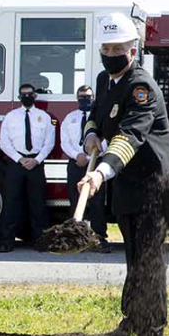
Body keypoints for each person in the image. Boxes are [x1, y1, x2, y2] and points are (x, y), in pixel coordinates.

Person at [77, 11, 169, 336]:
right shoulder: (105, 82)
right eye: (105, 49)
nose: (110, 55)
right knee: (133, 251)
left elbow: (130, 136)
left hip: (153, 183)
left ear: (133, 51)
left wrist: (100, 174)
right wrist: (90, 134)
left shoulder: (141, 87)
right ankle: (133, 315)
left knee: (149, 254)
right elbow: (94, 116)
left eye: (116, 48)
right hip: (126, 182)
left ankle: (153, 324)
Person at [0, 82, 54, 252]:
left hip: (36, 164)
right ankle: (7, 241)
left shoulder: (44, 117)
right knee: (12, 203)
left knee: (38, 204)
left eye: (29, 94)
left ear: (35, 96)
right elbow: (4, 142)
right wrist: (20, 159)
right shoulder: (11, 116)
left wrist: (37, 160)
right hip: (16, 164)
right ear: (19, 97)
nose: (26, 96)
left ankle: (41, 241)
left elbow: (49, 142)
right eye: (23, 94)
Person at [61, 84, 111, 253]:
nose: (85, 100)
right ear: (77, 99)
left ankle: (99, 238)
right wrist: (78, 156)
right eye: (82, 97)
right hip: (75, 164)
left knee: (97, 203)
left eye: (88, 97)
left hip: (95, 164)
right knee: (75, 201)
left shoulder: (100, 119)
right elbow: (64, 141)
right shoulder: (70, 118)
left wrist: (90, 157)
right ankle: (76, 239)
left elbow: (104, 141)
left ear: (93, 98)